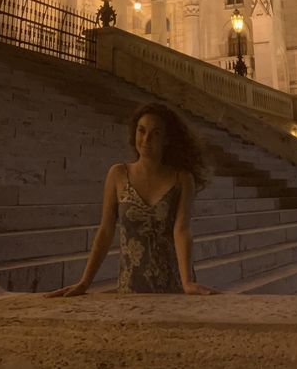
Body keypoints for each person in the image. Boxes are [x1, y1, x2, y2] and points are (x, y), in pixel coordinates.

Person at [45, 102, 218, 296]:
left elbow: (182, 230)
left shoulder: (182, 179)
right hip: (132, 284)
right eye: (141, 131)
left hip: (173, 283)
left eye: (156, 133)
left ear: (167, 139)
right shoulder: (118, 174)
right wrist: (85, 282)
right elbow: (106, 230)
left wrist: (187, 281)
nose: (146, 139)